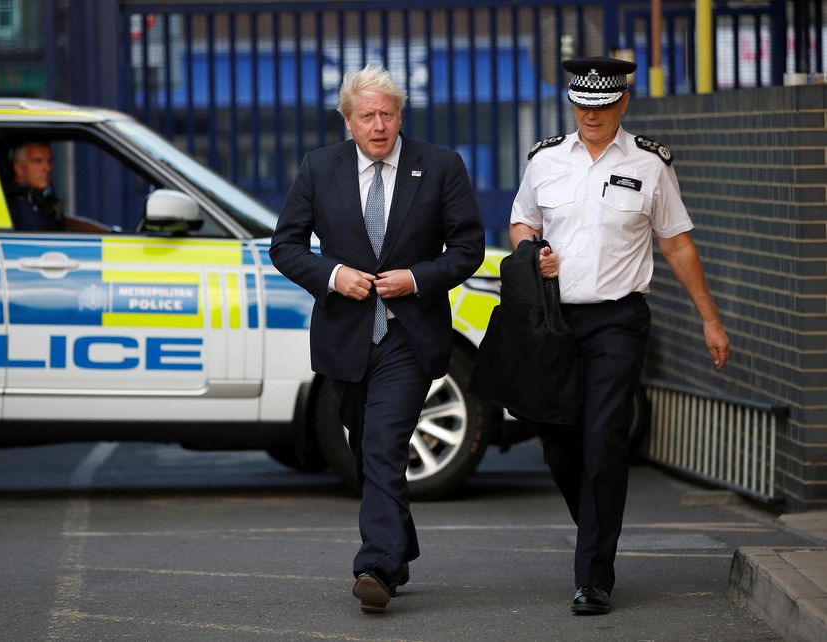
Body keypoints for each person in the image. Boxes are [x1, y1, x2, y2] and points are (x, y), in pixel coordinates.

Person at [509, 56, 731, 615]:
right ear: (572, 103)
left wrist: (710, 318)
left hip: (618, 321)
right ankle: (598, 526)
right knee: (559, 445)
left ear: (622, 104)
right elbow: (521, 224)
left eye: (603, 106)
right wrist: (532, 255)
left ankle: (593, 576)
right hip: (556, 323)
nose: (592, 116)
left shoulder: (650, 165)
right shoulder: (544, 160)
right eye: (583, 105)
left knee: (603, 438)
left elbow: (677, 243)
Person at [270, 65, 485, 614]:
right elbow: (286, 246)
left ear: (400, 116)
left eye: (387, 114)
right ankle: (400, 543)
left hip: (409, 335)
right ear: (348, 121)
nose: (378, 125)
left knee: (383, 443)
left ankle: (376, 567)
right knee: (367, 449)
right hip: (348, 336)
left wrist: (418, 278)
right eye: (366, 115)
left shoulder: (440, 167)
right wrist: (331, 275)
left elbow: (468, 248)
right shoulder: (320, 169)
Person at [6, 141, 64, 231]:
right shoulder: (20, 207)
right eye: (37, 161)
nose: (48, 168)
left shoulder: (40, 200)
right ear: (19, 169)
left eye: (49, 161)